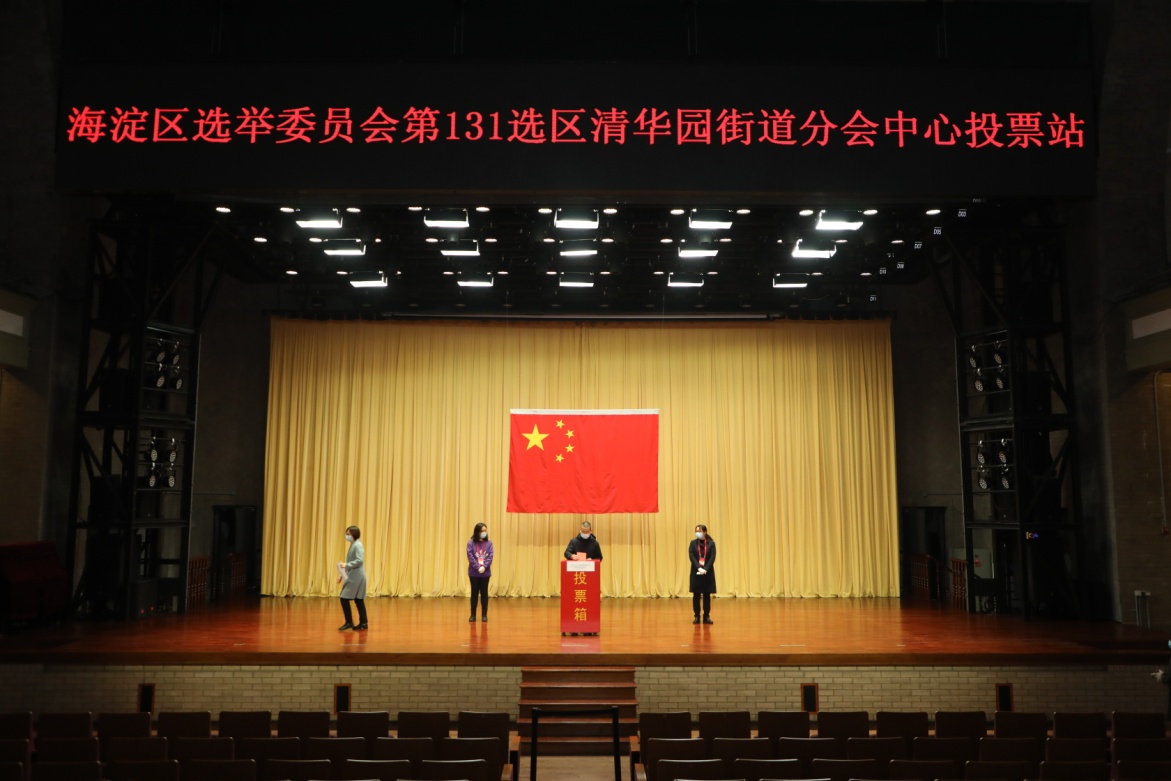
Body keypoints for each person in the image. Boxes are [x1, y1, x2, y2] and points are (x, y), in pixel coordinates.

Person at [337, 525, 367, 631]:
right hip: (355, 575)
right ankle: (363, 623)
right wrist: (341, 575)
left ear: (353, 534)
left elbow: (359, 560)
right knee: (358, 600)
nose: (347, 536)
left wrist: (346, 565)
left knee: (344, 598)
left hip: (356, 576)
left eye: (348, 534)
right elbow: (350, 562)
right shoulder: (353, 544)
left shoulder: (357, 545)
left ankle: (349, 622)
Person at [689, 524, 716, 625]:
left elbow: (712, 557)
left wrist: (705, 569)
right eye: (696, 531)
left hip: (707, 573)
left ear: (705, 532)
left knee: (706, 595)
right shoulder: (692, 543)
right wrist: (699, 568)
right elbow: (691, 556)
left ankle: (706, 616)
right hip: (696, 572)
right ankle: (697, 616)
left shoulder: (711, 543)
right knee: (696, 595)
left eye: (699, 531)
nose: (698, 533)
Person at [467, 522, 494, 622]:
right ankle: (473, 615)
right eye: (482, 531)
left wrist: (484, 566)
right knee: (474, 594)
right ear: (477, 531)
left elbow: (490, 556)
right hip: (474, 573)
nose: (484, 532)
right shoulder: (470, 543)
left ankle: (484, 615)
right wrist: (478, 567)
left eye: (485, 531)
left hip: (485, 573)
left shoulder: (489, 543)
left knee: (484, 594)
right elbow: (470, 556)